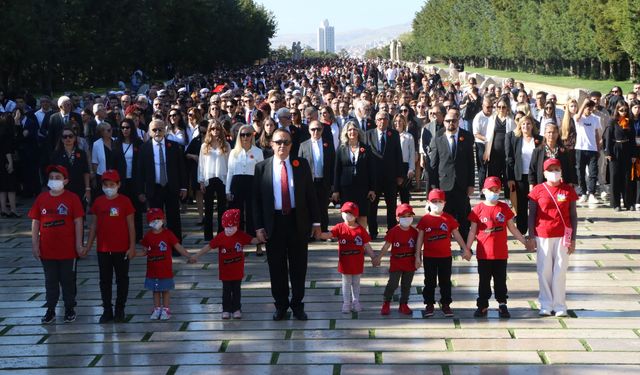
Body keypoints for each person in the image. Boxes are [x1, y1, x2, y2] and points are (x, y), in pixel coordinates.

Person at [253, 128, 321, 321]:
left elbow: (311, 195)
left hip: (297, 222)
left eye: (286, 142)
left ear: (292, 145)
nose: (282, 145)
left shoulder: (301, 165)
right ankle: (281, 305)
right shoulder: (262, 167)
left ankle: (297, 305)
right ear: (272, 144)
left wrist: (316, 222)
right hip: (273, 223)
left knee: (299, 267)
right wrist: (258, 227)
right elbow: (256, 200)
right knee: (277, 268)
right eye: (278, 142)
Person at [466, 176, 529, 319]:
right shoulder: (478, 209)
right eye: (491, 190)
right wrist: (467, 248)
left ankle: (502, 304)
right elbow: (472, 231)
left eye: (496, 190)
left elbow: (512, 229)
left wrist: (524, 241)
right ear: (484, 191)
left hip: (500, 254)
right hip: (484, 254)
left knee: (500, 281)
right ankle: (482, 305)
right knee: (484, 281)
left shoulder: (504, 208)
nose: (494, 192)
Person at [28, 165, 84, 324]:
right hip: (47, 250)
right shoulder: (42, 198)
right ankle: (50, 309)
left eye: (58, 178)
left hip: (68, 250)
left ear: (65, 181)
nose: (54, 180)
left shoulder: (72, 198)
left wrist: (79, 244)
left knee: (68, 280)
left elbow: (78, 221)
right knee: (50, 280)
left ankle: (69, 308)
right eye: (51, 177)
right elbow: (35, 222)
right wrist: (35, 245)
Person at [528, 158, 578, 317]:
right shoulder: (537, 190)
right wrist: (530, 236)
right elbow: (532, 215)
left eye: (557, 169)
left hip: (563, 236)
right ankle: (546, 304)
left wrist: (574, 239)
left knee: (560, 271)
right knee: (544, 271)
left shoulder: (568, 190)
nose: (554, 173)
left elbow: (573, 215)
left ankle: (560, 305)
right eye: (550, 170)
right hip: (543, 235)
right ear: (544, 173)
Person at [83, 170, 136, 323]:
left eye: (112, 185)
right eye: (106, 185)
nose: (109, 187)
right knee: (104, 280)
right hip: (103, 249)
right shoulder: (98, 202)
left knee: (122, 279)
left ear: (118, 185)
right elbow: (94, 226)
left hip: (122, 248)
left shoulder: (125, 201)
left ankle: (120, 309)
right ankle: (107, 309)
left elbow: (131, 226)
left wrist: (132, 247)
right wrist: (88, 246)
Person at [190, 209, 260, 319]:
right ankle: (226, 309)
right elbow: (209, 246)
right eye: (226, 227)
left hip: (237, 271)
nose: (228, 230)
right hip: (225, 272)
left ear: (236, 226)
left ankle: (237, 308)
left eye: (231, 227)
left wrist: (262, 237)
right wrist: (196, 255)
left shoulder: (240, 235)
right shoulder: (221, 236)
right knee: (226, 291)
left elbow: (253, 240)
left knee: (237, 291)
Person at [136, 119, 188, 253]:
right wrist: (140, 191)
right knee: (155, 219)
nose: (157, 132)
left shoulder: (174, 146)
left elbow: (181, 168)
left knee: (174, 218)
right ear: (149, 131)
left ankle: (176, 247)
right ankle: (157, 246)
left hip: (171, 187)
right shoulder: (144, 148)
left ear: (165, 130)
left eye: (160, 129)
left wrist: (184, 187)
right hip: (154, 188)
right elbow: (140, 172)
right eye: (154, 130)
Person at [415, 188, 467, 317]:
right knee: (429, 281)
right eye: (434, 201)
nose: (437, 204)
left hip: (445, 256)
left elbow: (457, 234)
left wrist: (465, 248)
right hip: (429, 257)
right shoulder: (425, 220)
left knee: (445, 281)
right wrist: (417, 255)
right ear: (428, 202)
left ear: (444, 203)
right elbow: (420, 238)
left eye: (440, 201)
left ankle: (446, 304)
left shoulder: (448, 219)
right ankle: (429, 304)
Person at [317, 202, 376, 313]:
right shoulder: (339, 227)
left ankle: (356, 301)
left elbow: (367, 245)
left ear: (356, 216)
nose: (347, 215)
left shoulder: (361, 230)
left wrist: (373, 257)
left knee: (356, 283)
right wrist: (319, 233)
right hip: (345, 263)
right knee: (346, 283)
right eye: (345, 212)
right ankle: (346, 303)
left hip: (357, 262)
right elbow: (329, 235)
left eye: (350, 213)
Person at [428, 108, 475, 239]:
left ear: (458, 121)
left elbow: (471, 162)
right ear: (444, 122)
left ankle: (465, 244)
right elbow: (433, 165)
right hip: (444, 185)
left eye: (454, 121)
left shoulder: (466, 137)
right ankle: (445, 242)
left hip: (461, 184)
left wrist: (471, 184)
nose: (451, 123)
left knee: (463, 216)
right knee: (445, 217)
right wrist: (433, 188)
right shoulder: (438, 139)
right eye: (448, 121)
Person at [138, 208, 192, 320]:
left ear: (163, 219)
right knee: (155, 290)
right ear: (149, 222)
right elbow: (144, 251)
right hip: (152, 269)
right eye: (153, 219)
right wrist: (133, 254)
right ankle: (157, 308)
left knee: (165, 290)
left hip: (165, 269)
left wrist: (189, 256)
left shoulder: (168, 234)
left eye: (158, 218)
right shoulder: (148, 236)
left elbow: (178, 246)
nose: (156, 221)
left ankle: (166, 309)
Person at [226, 124, 264, 255]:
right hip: (237, 183)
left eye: (248, 134)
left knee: (253, 214)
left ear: (252, 135)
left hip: (252, 182)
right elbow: (230, 172)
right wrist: (227, 190)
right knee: (237, 214)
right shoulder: (233, 152)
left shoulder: (258, 151)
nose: (246, 137)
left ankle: (258, 244)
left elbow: (261, 172)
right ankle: (238, 244)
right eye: (243, 135)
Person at [366, 110, 404, 239]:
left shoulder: (393, 134)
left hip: (390, 176)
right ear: (376, 121)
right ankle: (373, 231)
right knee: (372, 206)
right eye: (380, 119)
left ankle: (391, 230)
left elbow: (398, 154)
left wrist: (399, 175)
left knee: (391, 205)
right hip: (373, 177)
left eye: (385, 119)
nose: (382, 121)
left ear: (388, 121)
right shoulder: (368, 134)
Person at [332, 121, 376, 230]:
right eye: (350, 130)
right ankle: (348, 240)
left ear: (358, 131)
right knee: (348, 216)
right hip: (346, 188)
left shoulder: (366, 148)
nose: (352, 132)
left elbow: (371, 170)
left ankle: (362, 241)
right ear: (346, 132)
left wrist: (372, 189)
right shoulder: (341, 149)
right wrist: (336, 190)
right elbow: (337, 170)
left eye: (354, 129)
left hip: (363, 188)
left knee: (362, 216)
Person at [375, 203, 417, 316]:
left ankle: (403, 304)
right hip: (397, 262)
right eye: (403, 216)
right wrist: (378, 257)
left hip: (410, 262)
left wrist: (419, 259)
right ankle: (386, 302)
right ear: (398, 218)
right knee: (393, 283)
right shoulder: (393, 231)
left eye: (409, 215)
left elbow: (418, 248)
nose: (407, 218)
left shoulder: (414, 232)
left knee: (406, 285)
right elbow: (386, 246)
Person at [506, 115, 543, 234]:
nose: (525, 126)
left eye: (528, 124)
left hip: (535, 177)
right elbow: (510, 159)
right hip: (520, 176)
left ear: (532, 125)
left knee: (536, 204)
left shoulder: (539, 139)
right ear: (520, 126)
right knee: (521, 205)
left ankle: (536, 230)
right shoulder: (516, 139)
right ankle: (522, 230)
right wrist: (510, 177)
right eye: (523, 124)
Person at [298, 120, 336, 233]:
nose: (316, 132)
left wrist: (333, 184)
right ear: (309, 130)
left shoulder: (328, 144)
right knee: (308, 207)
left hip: (324, 182)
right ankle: (310, 232)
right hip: (309, 182)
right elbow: (299, 167)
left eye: (318, 129)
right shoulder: (303, 145)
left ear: (322, 130)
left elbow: (333, 164)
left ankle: (323, 232)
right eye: (313, 129)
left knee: (323, 208)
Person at [198, 120, 230, 241]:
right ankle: (208, 235)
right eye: (212, 129)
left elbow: (229, 164)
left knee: (222, 207)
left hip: (222, 178)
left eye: (217, 128)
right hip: (209, 178)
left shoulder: (226, 145)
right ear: (209, 131)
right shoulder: (204, 146)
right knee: (209, 208)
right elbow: (201, 165)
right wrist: (201, 180)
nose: (215, 131)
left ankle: (221, 233)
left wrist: (229, 181)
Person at [604, 102, 638, 211]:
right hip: (615, 149)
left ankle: (628, 203)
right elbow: (608, 137)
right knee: (615, 177)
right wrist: (608, 152)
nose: (624, 112)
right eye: (621, 110)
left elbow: (632, 139)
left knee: (627, 177)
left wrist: (633, 154)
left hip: (627, 149)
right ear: (617, 110)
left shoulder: (630, 121)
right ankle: (616, 203)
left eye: (625, 110)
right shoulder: (612, 121)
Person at [49, 126, 91, 204]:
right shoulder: (55, 155)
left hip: (79, 189)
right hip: (62, 189)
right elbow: (51, 174)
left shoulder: (82, 154)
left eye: (70, 136)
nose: (68, 138)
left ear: (74, 138)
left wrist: (87, 189)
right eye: (65, 137)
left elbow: (86, 172)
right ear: (61, 139)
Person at [118, 119, 144, 240]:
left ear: (132, 128)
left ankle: (138, 235)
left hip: (135, 181)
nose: (125, 130)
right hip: (121, 182)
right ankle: (123, 235)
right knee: (120, 210)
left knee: (136, 209)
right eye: (122, 128)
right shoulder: (116, 143)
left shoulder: (138, 143)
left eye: (127, 127)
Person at [529, 123, 576, 188]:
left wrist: (570, 183)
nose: (551, 134)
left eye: (554, 132)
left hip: (560, 185)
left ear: (557, 134)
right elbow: (532, 169)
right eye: (549, 132)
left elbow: (569, 168)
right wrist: (531, 185)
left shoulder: (563, 151)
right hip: (543, 185)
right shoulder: (538, 151)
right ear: (545, 134)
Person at [483, 97, 516, 190]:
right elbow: (488, 136)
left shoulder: (511, 120)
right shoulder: (492, 118)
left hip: (507, 152)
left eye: (504, 107)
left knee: (507, 174)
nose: (501, 109)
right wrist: (486, 151)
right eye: (499, 107)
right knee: (494, 175)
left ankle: (507, 195)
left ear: (508, 108)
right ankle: (493, 192)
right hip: (494, 152)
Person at [573, 99, 602, 204]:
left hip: (592, 149)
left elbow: (597, 133)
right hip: (580, 148)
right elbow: (577, 117)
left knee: (593, 172)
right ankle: (583, 193)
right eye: (587, 106)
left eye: (591, 107)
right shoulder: (579, 118)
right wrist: (584, 103)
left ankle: (592, 194)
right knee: (580, 172)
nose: (589, 109)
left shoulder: (595, 119)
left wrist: (598, 148)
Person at [393, 114, 416, 204]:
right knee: (392, 194)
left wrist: (411, 169)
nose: (398, 123)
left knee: (404, 194)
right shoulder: (391, 135)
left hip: (404, 165)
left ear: (404, 122)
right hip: (393, 166)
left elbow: (411, 154)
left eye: (400, 121)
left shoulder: (409, 136)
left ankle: (406, 215)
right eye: (396, 121)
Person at [472, 98, 493, 196]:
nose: (490, 109)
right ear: (483, 107)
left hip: (492, 143)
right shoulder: (478, 117)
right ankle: (482, 190)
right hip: (481, 143)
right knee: (482, 168)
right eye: (487, 107)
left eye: (491, 107)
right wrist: (487, 139)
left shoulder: (494, 115)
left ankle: (492, 187)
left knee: (492, 167)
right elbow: (476, 134)